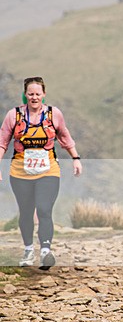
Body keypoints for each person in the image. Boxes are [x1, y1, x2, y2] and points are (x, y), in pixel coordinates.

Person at [0, 77, 82, 270]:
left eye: (38, 94)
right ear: (25, 95)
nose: (34, 97)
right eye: (31, 94)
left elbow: (64, 136)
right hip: (20, 171)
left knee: (44, 209)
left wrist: (76, 159)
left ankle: (45, 251)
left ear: (43, 94)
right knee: (26, 212)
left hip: (48, 169)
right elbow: (3, 142)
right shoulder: (14, 115)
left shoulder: (54, 114)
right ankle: (28, 249)